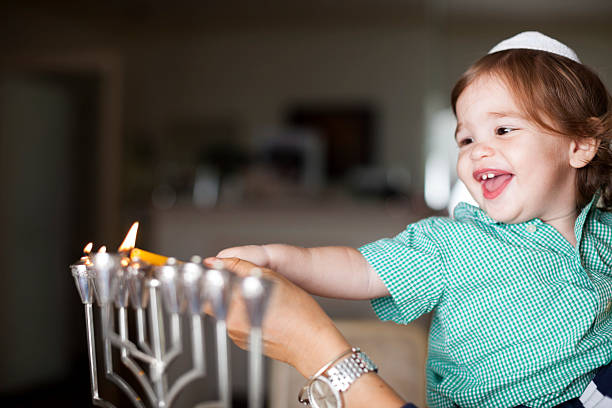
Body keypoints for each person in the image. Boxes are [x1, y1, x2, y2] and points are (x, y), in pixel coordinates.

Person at [215, 31, 612, 407]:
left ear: (578, 146)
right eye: (467, 139)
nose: (477, 151)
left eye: (503, 129)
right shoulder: (451, 243)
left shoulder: (604, 231)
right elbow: (361, 269)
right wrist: (275, 259)